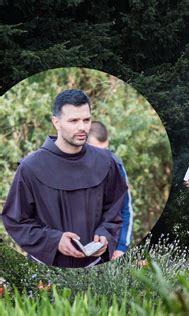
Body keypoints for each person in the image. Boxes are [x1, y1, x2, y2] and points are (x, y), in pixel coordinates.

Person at [2, 89, 128, 268]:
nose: (82, 127)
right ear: (56, 122)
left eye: (86, 120)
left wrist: (105, 234)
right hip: (47, 271)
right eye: (74, 121)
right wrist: (54, 241)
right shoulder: (30, 167)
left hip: (97, 268)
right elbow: (16, 221)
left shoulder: (106, 162)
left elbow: (114, 209)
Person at [88, 121, 134, 260]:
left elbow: (126, 209)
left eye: (106, 150)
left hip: (107, 248)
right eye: (98, 151)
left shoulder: (116, 166)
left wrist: (121, 247)